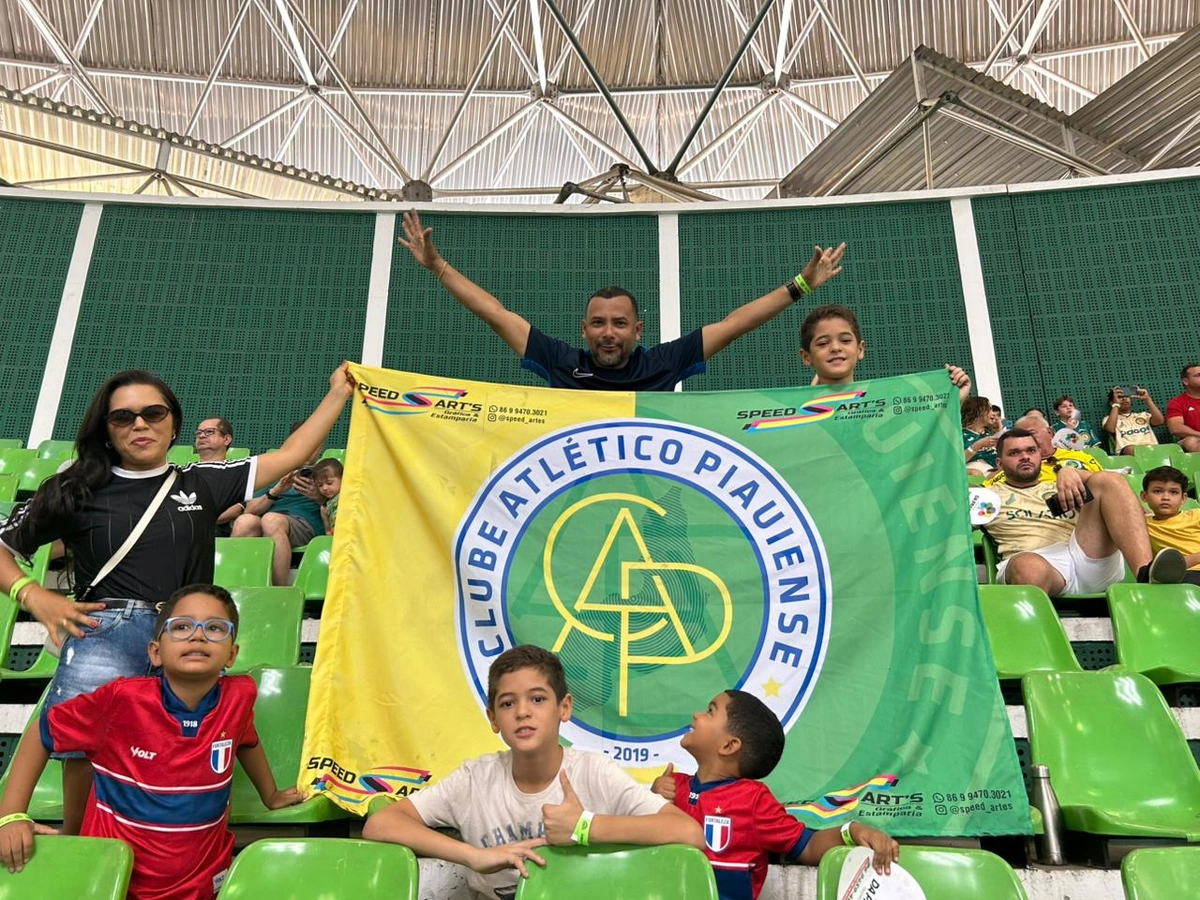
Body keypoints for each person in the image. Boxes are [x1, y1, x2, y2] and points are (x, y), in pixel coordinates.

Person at [0, 364, 354, 835]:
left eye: (153, 413)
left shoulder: (202, 481)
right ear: (106, 429)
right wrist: (32, 594)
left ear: (173, 423)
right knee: (79, 742)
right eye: (123, 417)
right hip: (106, 626)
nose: (140, 424)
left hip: (186, 630)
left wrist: (338, 393)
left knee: (193, 738)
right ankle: (76, 837)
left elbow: (293, 454)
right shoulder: (75, 488)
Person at [0, 584, 303, 899]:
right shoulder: (121, 701)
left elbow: (246, 740)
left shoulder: (239, 696)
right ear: (155, 652)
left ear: (232, 653)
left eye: (215, 628)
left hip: (202, 884)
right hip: (117, 884)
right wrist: (11, 815)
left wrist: (270, 795)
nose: (198, 636)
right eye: (181, 627)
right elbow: (41, 733)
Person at [362, 645, 703, 900]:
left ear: (564, 708)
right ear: (493, 718)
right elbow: (381, 824)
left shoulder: (594, 773)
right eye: (508, 703)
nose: (522, 712)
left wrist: (583, 827)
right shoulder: (474, 779)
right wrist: (474, 857)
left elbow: (689, 833)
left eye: (537, 699)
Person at [399, 209, 846, 391]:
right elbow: (494, 314)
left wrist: (801, 285)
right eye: (598, 323)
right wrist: (437, 265)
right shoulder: (561, 362)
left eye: (619, 323)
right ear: (584, 330)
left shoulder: (663, 364)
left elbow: (734, 325)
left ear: (637, 330)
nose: (608, 333)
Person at [651, 690, 897, 900]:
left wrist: (852, 830)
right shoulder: (672, 785)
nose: (697, 715)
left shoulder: (753, 800)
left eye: (710, 711)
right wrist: (654, 799)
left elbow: (808, 846)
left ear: (729, 746)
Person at [981, 428, 1184, 596]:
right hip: (1036, 563)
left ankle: (1146, 573)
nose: (1025, 456)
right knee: (1028, 566)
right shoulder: (986, 496)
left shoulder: (1062, 485)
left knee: (1109, 480)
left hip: (1085, 554)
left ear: (1040, 455)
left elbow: (1124, 502)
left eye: (1031, 450)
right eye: (1014, 453)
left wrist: (1070, 471)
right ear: (999, 463)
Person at [799, 304, 973, 400]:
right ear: (806, 357)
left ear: (860, 349)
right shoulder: (794, 414)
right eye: (823, 343)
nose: (836, 348)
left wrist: (954, 401)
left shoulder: (885, 404)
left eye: (845, 340)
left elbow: (923, 435)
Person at [230, 422, 326, 586]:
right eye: (302, 442)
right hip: (269, 519)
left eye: (312, 443)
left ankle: (278, 591)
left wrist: (320, 497)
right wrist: (276, 491)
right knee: (244, 521)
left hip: (305, 524)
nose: (307, 448)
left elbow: (341, 507)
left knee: (271, 520)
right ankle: (233, 586)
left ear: (321, 447)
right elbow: (250, 510)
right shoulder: (276, 471)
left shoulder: (328, 472)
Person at [984, 414, 1102, 485]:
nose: (1028, 440)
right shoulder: (1014, 469)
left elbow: (1103, 483)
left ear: (1050, 432)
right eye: (1022, 437)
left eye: (1031, 433)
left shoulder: (1080, 457)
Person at [1140, 466, 1200, 586]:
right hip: (1182, 576)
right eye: (1158, 491)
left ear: (1183, 498)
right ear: (1144, 496)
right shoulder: (1142, 525)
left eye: (1174, 492)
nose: (1165, 498)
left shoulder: (1196, 515)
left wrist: (1186, 561)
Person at [194, 417, 241, 536]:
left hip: (217, 531)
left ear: (226, 439)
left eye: (209, 431)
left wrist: (197, 520)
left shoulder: (237, 472)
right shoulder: (183, 473)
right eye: (199, 432)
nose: (201, 436)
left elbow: (235, 509)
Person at [1103, 387, 1163, 456]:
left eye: (1126, 396)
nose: (1124, 398)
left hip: (1152, 449)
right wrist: (1116, 404)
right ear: (1112, 403)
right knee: (1131, 449)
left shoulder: (1143, 415)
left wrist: (1147, 399)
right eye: (1119, 397)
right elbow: (1110, 429)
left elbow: (1160, 421)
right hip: (1127, 454)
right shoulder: (1108, 419)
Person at [1166, 364, 1200, 452]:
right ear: (1185, 381)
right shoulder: (1177, 402)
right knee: (1190, 441)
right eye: (1198, 375)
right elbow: (1175, 428)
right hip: (1195, 439)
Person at [961, 396, 998, 474]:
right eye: (990, 409)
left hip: (992, 470)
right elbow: (957, 461)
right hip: (973, 470)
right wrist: (979, 444)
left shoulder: (988, 434)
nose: (994, 414)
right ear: (979, 411)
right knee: (975, 473)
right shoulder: (960, 435)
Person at [313, 457, 343, 535]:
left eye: (329, 483)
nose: (324, 488)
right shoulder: (324, 508)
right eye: (320, 485)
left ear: (342, 479)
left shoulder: (347, 496)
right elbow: (328, 530)